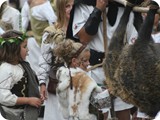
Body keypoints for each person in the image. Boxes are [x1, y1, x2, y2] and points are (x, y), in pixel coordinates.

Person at [66, 0, 143, 119]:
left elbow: (135, 47)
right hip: (94, 71)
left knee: (123, 113)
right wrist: (97, 10)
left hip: (119, 72)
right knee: (100, 114)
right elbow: (83, 38)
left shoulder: (128, 7)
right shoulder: (84, 5)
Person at [37, 0, 73, 119]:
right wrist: (42, 83)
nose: (71, 9)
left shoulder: (83, 31)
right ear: (60, 9)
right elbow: (44, 59)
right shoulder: (51, 32)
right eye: (67, 6)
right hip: (57, 84)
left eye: (73, 6)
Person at [54, 39, 102, 120]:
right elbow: (99, 102)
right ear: (74, 61)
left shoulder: (64, 73)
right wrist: (112, 92)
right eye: (85, 61)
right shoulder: (79, 79)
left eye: (88, 60)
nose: (88, 63)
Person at [0, 30, 43, 120]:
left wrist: (36, 96)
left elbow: (30, 83)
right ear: (14, 49)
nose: (27, 50)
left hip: (25, 114)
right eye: (24, 47)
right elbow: (3, 96)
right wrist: (28, 100)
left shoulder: (23, 65)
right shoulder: (6, 69)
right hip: (11, 115)